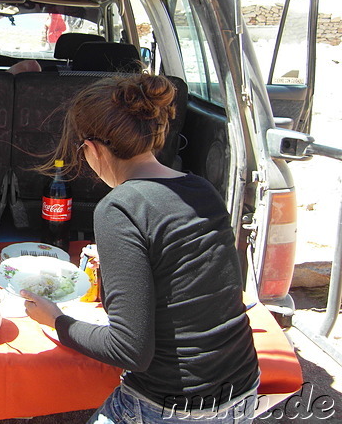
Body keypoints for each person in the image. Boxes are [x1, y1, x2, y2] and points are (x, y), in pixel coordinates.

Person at [22, 74, 260, 423]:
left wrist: (57, 320)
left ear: (93, 149)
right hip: (242, 387)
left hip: (171, 405)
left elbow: (128, 349)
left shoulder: (120, 207)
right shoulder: (201, 188)